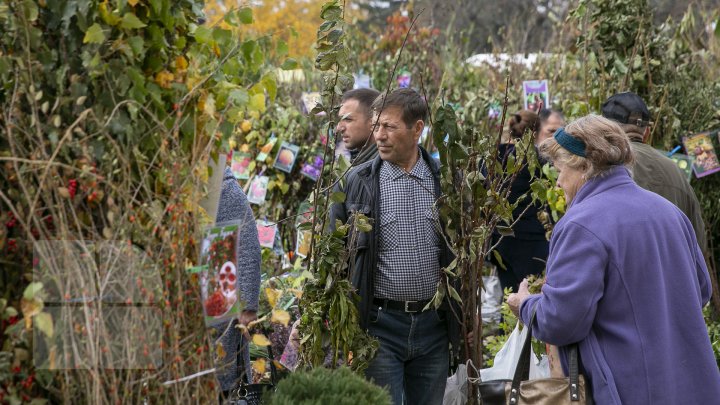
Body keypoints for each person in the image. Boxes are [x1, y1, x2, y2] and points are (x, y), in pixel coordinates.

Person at [507, 114, 720, 404]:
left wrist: (525, 305)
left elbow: (561, 321)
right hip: (695, 386)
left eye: (560, 170)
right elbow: (702, 291)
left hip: (631, 389)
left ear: (583, 166)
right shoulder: (670, 213)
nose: (558, 182)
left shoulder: (580, 225)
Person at [329, 88, 458, 405]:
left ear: (417, 129)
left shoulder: (445, 182)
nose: (380, 136)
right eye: (376, 126)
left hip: (433, 329)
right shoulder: (355, 183)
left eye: (389, 127)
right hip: (380, 328)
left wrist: (461, 321)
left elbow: (462, 255)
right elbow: (334, 257)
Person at [601, 91, 707, 255]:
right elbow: (699, 242)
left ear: (604, 131)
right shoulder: (676, 171)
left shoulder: (603, 168)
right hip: (678, 276)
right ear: (647, 132)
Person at [490, 109, 565, 293]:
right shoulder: (539, 160)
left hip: (500, 240)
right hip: (532, 242)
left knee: (508, 296)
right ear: (535, 132)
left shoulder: (492, 158)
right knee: (531, 297)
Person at [215, 167, 262, 402]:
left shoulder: (225, 188)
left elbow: (249, 248)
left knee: (222, 383)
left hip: (219, 309)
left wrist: (248, 306)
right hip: (193, 304)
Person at [335, 88, 381, 165]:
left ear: (373, 122)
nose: (339, 128)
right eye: (341, 119)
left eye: (348, 119)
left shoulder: (382, 168)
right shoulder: (360, 160)